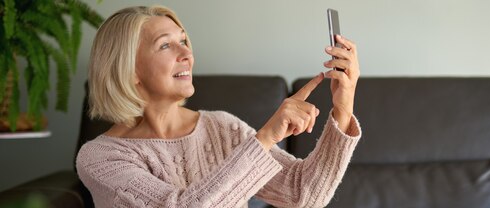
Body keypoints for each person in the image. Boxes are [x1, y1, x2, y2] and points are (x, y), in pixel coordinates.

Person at [76, 5, 361, 208]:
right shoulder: (100, 158)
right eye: (166, 46)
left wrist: (343, 108)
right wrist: (264, 140)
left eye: (184, 41)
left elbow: (303, 195)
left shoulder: (221, 127)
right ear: (129, 69)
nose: (187, 53)